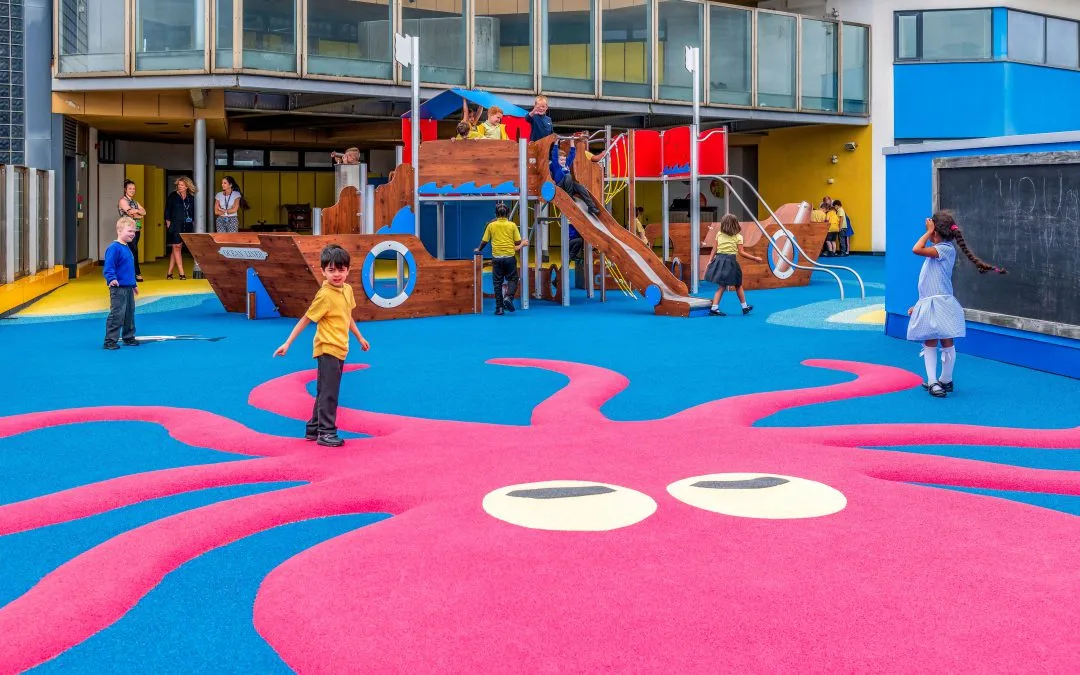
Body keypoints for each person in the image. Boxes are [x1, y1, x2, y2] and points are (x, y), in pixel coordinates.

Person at [274, 244, 371, 447]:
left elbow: (348, 316)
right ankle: (326, 432)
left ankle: (314, 428)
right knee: (329, 392)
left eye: (341, 269)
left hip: (341, 347)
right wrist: (288, 343)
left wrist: (360, 337)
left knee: (324, 390)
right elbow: (306, 319)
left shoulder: (347, 290)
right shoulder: (325, 295)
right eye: (331, 270)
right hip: (327, 348)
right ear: (323, 271)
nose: (336, 274)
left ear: (348, 270)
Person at [907, 211, 1006, 398]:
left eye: (932, 231)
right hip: (931, 303)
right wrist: (918, 304)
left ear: (936, 232)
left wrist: (928, 232)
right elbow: (928, 283)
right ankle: (938, 380)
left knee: (942, 340)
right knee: (933, 340)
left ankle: (941, 380)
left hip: (941, 304)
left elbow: (916, 249)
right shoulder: (938, 251)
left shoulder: (945, 249)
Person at [474, 202, 528, 315]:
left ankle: (499, 308)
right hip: (509, 257)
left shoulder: (491, 225)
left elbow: (484, 241)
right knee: (513, 279)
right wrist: (523, 243)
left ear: (496, 214)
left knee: (497, 283)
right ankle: (508, 297)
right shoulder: (512, 225)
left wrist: (479, 249)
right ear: (508, 213)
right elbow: (517, 242)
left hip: (497, 258)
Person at [704, 214, 762, 316]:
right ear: (735, 225)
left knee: (722, 285)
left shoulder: (719, 234)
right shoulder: (738, 237)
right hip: (730, 262)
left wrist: (710, 260)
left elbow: (715, 249)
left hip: (719, 260)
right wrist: (754, 258)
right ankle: (744, 307)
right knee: (738, 284)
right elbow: (741, 252)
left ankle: (715, 307)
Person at [102, 217, 140, 350]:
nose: (132, 234)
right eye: (129, 231)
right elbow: (109, 266)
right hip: (118, 288)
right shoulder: (114, 248)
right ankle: (110, 340)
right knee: (117, 313)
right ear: (119, 231)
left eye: (134, 232)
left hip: (128, 287)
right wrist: (111, 278)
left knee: (129, 313)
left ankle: (129, 337)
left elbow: (129, 269)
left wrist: (134, 284)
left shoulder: (127, 248)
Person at [549, 140, 601, 216]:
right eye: (561, 160)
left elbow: (572, 154)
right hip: (561, 187)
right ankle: (569, 198)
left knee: (581, 187)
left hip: (569, 186)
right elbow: (554, 153)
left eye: (564, 159)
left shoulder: (566, 164)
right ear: (557, 160)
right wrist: (556, 142)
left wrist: (572, 141)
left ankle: (591, 207)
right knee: (568, 176)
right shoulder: (556, 165)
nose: (563, 161)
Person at [164, 176, 196, 280]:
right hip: (175, 225)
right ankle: (182, 273)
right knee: (177, 247)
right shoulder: (172, 196)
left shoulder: (190, 197)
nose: (179, 187)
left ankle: (169, 273)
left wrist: (193, 222)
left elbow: (192, 211)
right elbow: (167, 210)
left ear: (187, 186)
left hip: (187, 225)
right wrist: (168, 223)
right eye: (178, 185)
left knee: (176, 248)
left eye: (182, 185)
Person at [117, 179, 146, 282]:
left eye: (134, 189)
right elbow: (130, 213)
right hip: (127, 230)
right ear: (125, 189)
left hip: (136, 229)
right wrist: (138, 213)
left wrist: (137, 211)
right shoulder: (123, 200)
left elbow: (144, 212)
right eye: (130, 188)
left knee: (132, 250)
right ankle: (137, 273)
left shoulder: (135, 202)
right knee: (133, 250)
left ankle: (129, 273)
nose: (132, 190)